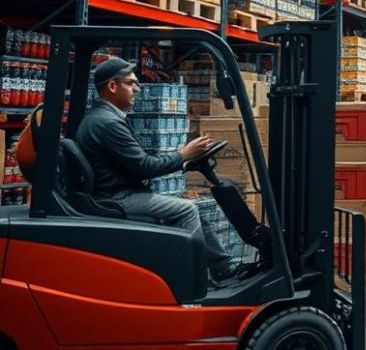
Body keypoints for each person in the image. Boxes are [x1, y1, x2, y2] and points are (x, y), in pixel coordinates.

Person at [75, 56, 241, 283]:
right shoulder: (108, 123)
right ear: (113, 86)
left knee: (194, 208)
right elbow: (144, 167)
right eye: (130, 83)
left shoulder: (103, 118)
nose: (137, 89)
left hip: (119, 191)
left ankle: (225, 268)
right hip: (117, 197)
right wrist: (184, 154)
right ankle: (193, 281)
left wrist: (183, 163)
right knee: (186, 210)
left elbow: (134, 165)